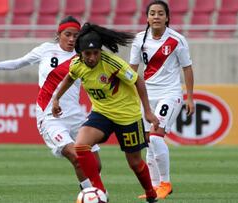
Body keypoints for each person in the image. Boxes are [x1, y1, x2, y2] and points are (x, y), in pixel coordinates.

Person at [0, 16, 102, 191]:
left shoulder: (84, 56)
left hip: (76, 115)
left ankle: (94, 192)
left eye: (75, 35)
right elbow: (20, 62)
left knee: (95, 165)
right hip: (50, 116)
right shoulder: (45, 50)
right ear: (59, 35)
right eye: (68, 34)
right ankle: (92, 195)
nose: (72, 39)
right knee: (76, 156)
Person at [52, 22, 160, 203]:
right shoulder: (77, 64)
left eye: (96, 53)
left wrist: (147, 112)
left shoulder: (112, 63)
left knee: (134, 163)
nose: (92, 57)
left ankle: (150, 193)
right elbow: (69, 78)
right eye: (88, 53)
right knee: (80, 145)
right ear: (81, 53)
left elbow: (138, 81)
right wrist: (56, 98)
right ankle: (99, 192)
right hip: (102, 113)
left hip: (127, 116)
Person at [129, 0, 195, 199]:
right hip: (146, 96)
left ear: (167, 17)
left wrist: (189, 97)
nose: (156, 17)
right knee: (149, 141)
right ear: (147, 17)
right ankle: (155, 187)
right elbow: (131, 70)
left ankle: (166, 182)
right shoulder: (139, 40)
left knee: (156, 136)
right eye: (152, 13)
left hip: (170, 94)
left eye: (160, 13)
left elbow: (187, 68)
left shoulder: (177, 40)